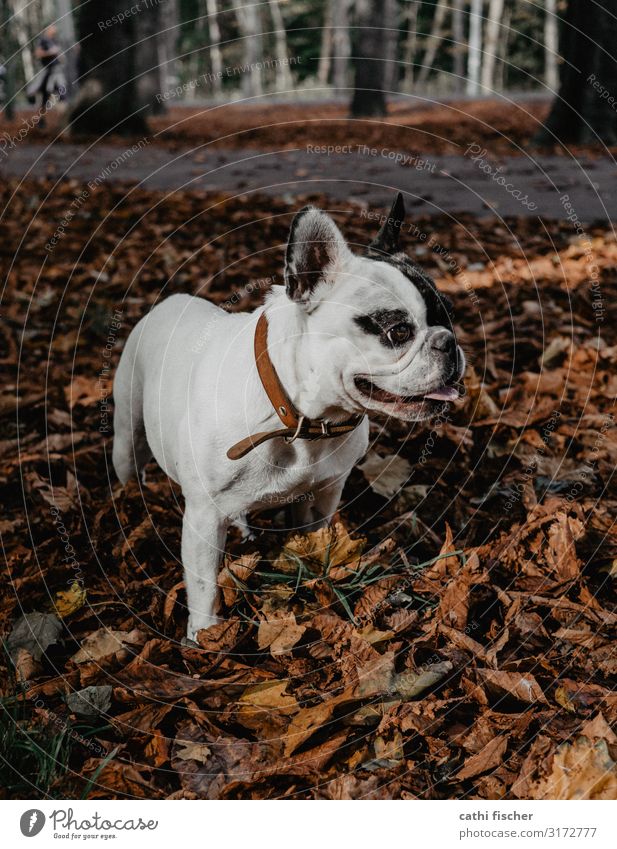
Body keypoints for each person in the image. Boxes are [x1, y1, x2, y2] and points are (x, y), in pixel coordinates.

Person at [26, 25, 66, 124]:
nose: (55, 29)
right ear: (47, 29)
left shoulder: (55, 40)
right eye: (53, 27)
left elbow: (59, 55)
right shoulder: (43, 40)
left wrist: (61, 57)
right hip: (47, 72)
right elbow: (38, 53)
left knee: (62, 93)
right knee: (45, 96)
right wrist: (50, 52)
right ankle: (41, 120)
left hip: (56, 72)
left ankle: (64, 120)